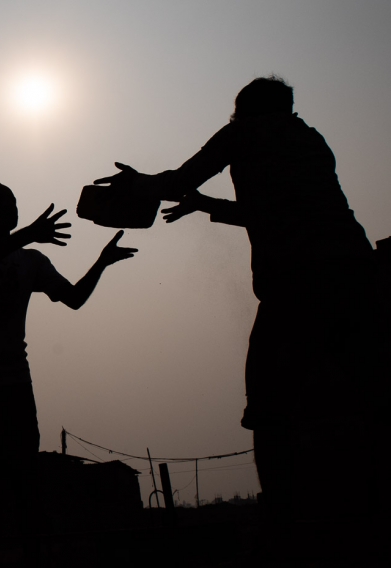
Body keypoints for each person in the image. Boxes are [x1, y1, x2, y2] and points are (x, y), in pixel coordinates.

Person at [95, 76, 380, 523]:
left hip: (295, 284)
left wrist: (141, 183)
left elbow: (179, 180)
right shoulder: (310, 139)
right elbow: (269, 212)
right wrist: (206, 204)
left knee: (268, 405)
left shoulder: (244, 134)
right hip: (357, 273)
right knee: (365, 393)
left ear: (242, 109)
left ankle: (285, 522)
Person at [0, 182, 137, 568]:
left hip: (13, 384)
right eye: (3, 205)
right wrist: (29, 234)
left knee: (24, 481)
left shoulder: (31, 260)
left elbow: (73, 298)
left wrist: (101, 262)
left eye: (13, 204)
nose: (11, 210)